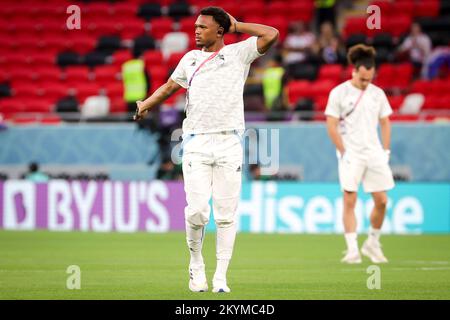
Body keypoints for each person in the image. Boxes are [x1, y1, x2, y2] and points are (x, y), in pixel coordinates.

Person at [134, 7, 279, 292]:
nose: (196, 31)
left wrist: (237, 25)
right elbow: (168, 87)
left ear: (220, 31)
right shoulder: (190, 59)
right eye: (196, 26)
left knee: (226, 215)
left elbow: (271, 34)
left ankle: (221, 276)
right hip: (197, 141)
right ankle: (196, 264)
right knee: (197, 212)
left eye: (203, 27)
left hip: (230, 143)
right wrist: (146, 104)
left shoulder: (240, 53)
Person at [324, 44, 394, 264]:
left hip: (373, 152)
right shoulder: (339, 92)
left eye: (370, 79)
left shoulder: (377, 94)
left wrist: (386, 150)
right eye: (363, 79)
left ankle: (372, 243)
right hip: (351, 153)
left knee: (382, 201)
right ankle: (352, 249)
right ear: (354, 71)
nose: (366, 83)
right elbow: (331, 124)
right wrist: (343, 151)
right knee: (350, 200)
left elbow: (385, 122)